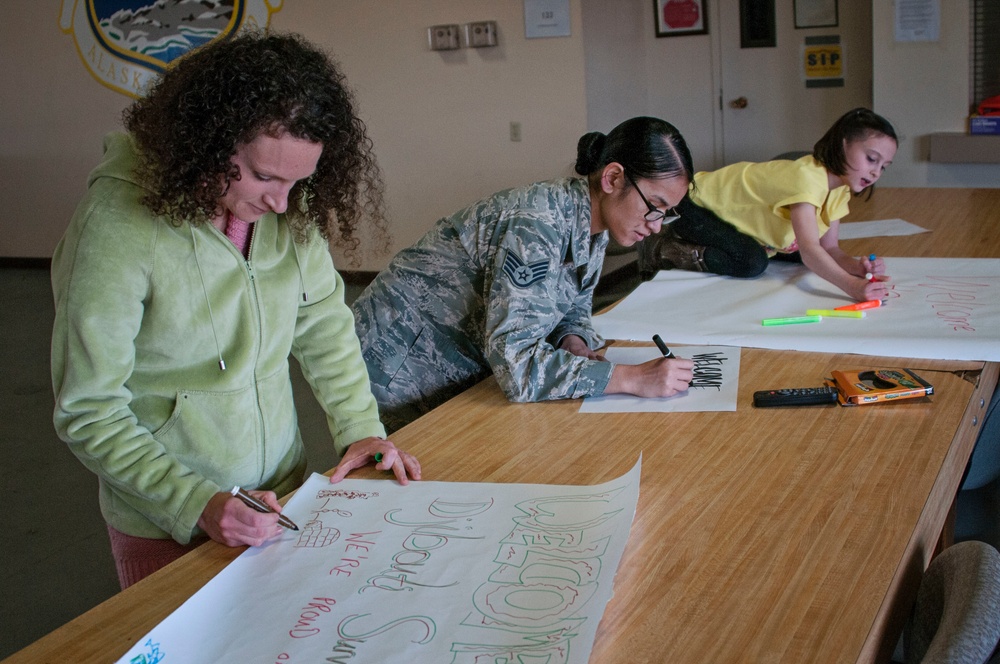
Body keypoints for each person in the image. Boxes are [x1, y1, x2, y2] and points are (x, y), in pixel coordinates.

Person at [50, 32, 420, 589]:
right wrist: (195, 502)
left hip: (281, 497)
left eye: (299, 181)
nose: (280, 202)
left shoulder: (289, 214)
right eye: (265, 176)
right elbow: (89, 409)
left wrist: (361, 431)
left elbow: (324, 329)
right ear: (206, 144)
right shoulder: (117, 225)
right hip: (168, 522)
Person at [352, 116, 696, 432]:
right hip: (393, 373)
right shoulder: (537, 224)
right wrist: (632, 379)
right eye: (654, 207)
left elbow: (569, 306)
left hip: (455, 368)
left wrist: (570, 340)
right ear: (612, 178)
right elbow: (516, 366)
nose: (655, 227)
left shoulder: (594, 221)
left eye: (666, 215)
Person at [638, 107, 898, 303]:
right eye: (871, 159)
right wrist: (853, 287)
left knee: (797, 255)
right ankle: (664, 248)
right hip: (694, 204)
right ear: (843, 145)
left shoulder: (840, 189)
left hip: (730, 219)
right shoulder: (808, 178)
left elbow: (828, 248)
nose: (876, 172)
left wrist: (855, 267)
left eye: (884, 167)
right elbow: (811, 251)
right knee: (751, 262)